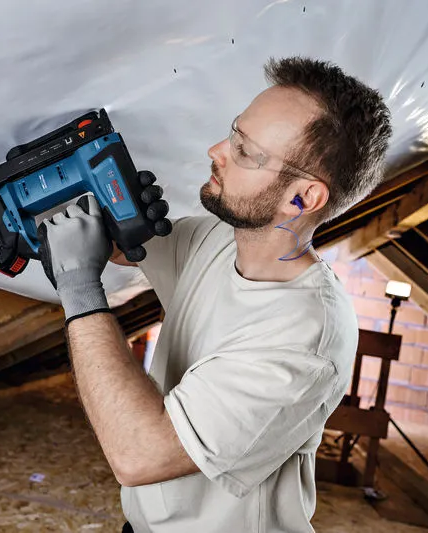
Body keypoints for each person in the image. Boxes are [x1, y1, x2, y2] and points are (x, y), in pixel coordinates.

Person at [37, 57, 392, 533]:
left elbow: (140, 456)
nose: (217, 151)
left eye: (245, 152)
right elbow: (122, 249)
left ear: (303, 198)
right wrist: (121, 215)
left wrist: (79, 289)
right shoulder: (218, 239)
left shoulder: (303, 340)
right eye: (233, 133)